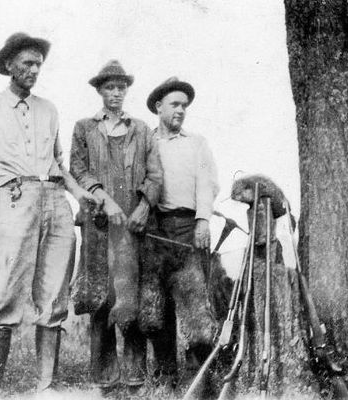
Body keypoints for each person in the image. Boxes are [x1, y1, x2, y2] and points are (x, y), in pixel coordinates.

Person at [0, 32, 98, 396]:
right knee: (5, 291)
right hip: (13, 199)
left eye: (39, 64)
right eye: (27, 63)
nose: (34, 70)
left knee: (55, 293)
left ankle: (46, 387)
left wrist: (80, 194)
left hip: (55, 201)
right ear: (9, 65)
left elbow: (58, 163)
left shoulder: (49, 109)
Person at [69, 60, 163, 391]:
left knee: (131, 298)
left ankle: (136, 378)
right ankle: (104, 379)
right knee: (101, 298)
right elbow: (78, 169)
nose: (116, 93)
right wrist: (101, 198)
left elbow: (155, 175)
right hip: (98, 226)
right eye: (110, 87)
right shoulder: (84, 128)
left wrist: (144, 206)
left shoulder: (141, 130)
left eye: (121, 87)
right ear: (100, 91)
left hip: (134, 228)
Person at [139, 77, 220, 395]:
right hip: (155, 230)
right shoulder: (146, 142)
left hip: (189, 230)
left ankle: (203, 378)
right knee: (156, 309)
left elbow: (208, 182)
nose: (181, 110)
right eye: (175, 104)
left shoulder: (196, 143)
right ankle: (166, 379)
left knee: (196, 306)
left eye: (184, 105)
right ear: (158, 107)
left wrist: (202, 221)